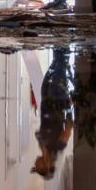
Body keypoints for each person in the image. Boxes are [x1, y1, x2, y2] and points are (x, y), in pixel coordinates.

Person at [32, 48, 74, 180]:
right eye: (37, 168)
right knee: (59, 67)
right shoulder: (58, 147)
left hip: (46, 100)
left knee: (55, 66)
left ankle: (60, 44)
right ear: (45, 167)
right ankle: (63, 43)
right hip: (57, 101)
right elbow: (68, 127)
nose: (35, 164)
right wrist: (69, 104)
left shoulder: (42, 146)